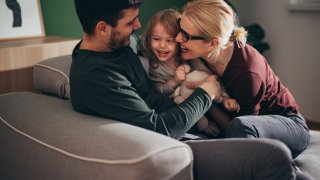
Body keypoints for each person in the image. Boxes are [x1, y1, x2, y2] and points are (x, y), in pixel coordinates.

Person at [69, 0, 304, 179]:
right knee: (274, 156)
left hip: (191, 126)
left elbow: (152, 92)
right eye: (131, 23)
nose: (138, 26)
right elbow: (159, 128)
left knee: (270, 153)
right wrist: (205, 94)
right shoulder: (96, 77)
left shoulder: (118, 47)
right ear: (102, 28)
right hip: (171, 141)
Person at [176, 0, 310, 158]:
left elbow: (238, 132)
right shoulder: (202, 56)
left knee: (239, 126)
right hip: (243, 125)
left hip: (290, 127)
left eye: (186, 35)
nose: (178, 38)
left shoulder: (247, 73)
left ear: (213, 43)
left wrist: (205, 96)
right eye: (180, 29)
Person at [140, 8, 241, 137]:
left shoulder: (191, 58)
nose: (162, 46)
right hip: (183, 109)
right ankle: (205, 129)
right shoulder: (155, 66)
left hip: (207, 104)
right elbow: (158, 91)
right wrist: (174, 82)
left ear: (179, 41)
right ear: (149, 39)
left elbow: (211, 79)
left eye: (169, 40)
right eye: (156, 39)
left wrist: (224, 97)